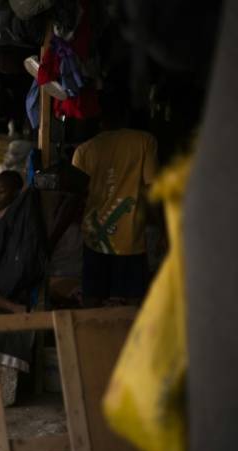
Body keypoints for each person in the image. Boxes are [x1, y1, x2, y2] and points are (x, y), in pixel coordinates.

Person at [72, 93, 158, 306]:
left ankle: (90, 338)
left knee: (92, 300)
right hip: (131, 238)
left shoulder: (83, 150)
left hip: (94, 238)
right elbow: (152, 190)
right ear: (125, 114)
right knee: (133, 304)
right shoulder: (144, 141)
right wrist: (163, 229)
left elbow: (76, 196)